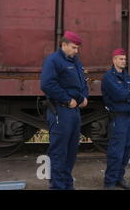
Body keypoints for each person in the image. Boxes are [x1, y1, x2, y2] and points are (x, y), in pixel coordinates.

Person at [40, 31, 88, 190]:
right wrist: (67, 99)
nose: (76, 51)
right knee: (59, 153)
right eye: (74, 47)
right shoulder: (53, 60)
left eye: (77, 48)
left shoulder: (75, 61)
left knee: (71, 152)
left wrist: (84, 97)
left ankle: (67, 185)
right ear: (64, 44)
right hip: (61, 111)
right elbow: (47, 84)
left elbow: (82, 82)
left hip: (74, 113)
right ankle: (57, 187)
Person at [102, 48, 130, 190]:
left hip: (128, 117)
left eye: (124, 59)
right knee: (116, 151)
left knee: (126, 149)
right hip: (118, 118)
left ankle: (119, 178)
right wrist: (129, 95)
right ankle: (110, 182)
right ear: (114, 60)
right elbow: (118, 95)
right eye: (120, 59)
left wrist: (129, 96)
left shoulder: (128, 77)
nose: (123, 61)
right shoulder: (108, 78)